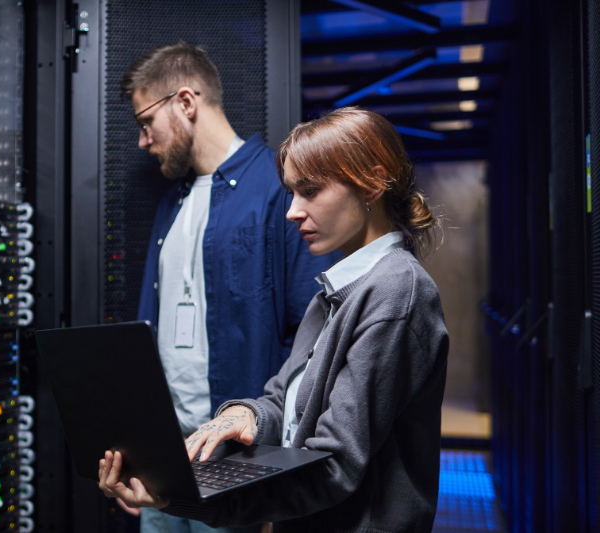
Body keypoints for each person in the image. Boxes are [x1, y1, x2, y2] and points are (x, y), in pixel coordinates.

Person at [98, 107, 450, 533]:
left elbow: (334, 465)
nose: (292, 211)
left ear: (372, 184)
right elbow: (285, 400)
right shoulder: (335, 291)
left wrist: (185, 496)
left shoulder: (397, 291)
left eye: (311, 191)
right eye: (292, 193)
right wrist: (245, 414)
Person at [120, 42, 338, 533]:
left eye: (146, 122)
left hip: (237, 462)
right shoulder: (170, 204)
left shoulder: (280, 192)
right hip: (164, 456)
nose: (143, 140)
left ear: (185, 102)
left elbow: (314, 343)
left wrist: (278, 478)